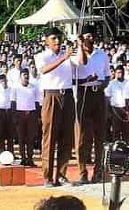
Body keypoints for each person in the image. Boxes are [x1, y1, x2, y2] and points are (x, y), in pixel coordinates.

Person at [35, 27, 75, 187]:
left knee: (66, 137)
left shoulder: (69, 55)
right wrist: (63, 58)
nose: (57, 41)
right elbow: (44, 70)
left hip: (68, 95)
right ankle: (47, 176)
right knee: (49, 137)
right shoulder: (41, 56)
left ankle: (61, 174)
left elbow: (81, 66)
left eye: (59, 38)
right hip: (51, 95)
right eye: (53, 38)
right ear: (46, 41)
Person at [70, 25, 108, 184]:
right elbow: (82, 65)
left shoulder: (102, 55)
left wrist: (102, 84)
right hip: (83, 94)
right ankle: (82, 171)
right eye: (87, 36)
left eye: (92, 36)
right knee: (82, 137)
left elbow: (107, 76)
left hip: (98, 94)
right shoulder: (74, 55)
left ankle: (98, 171)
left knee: (100, 136)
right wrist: (80, 46)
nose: (90, 38)